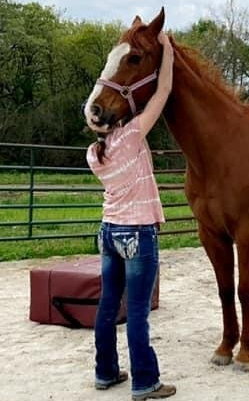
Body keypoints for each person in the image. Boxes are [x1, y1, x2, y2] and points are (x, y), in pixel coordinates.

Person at [86, 30, 176, 401]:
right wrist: (166, 51)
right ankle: (145, 382)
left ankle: (105, 373)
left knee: (109, 306)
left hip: (109, 232)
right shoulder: (133, 136)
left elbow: (102, 124)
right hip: (137, 235)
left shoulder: (95, 155)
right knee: (137, 312)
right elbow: (163, 91)